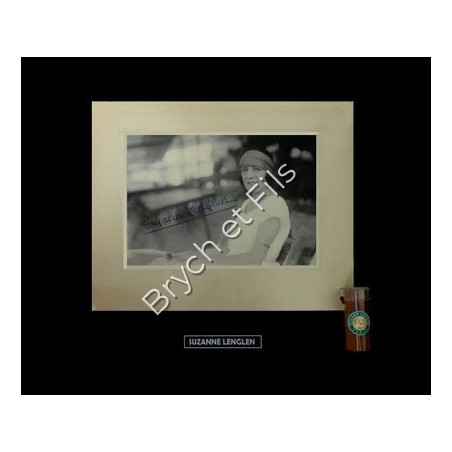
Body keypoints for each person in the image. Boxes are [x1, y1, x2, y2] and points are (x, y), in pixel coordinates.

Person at [203, 149, 291, 265]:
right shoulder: (246, 204)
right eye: (245, 170)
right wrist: (196, 256)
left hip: (257, 273)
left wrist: (206, 263)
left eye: (257, 169)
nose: (249, 176)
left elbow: (254, 260)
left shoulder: (275, 206)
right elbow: (227, 248)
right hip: (235, 268)